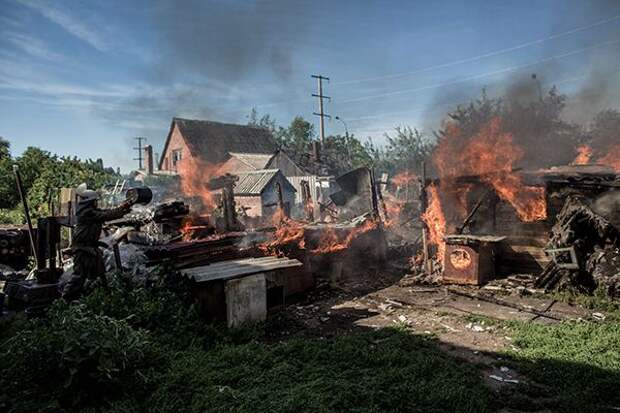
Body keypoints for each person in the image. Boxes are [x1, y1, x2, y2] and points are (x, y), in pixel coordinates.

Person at [61, 183, 133, 300]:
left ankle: (102, 297)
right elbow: (107, 215)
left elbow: (107, 212)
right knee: (78, 277)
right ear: (90, 201)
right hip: (83, 249)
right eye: (95, 201)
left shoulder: (90, 211)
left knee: (99, 274)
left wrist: (124, 208)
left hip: (91, 249)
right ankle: (66, 299)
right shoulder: (88, 213)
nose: (97, 202)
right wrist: (123, 209)